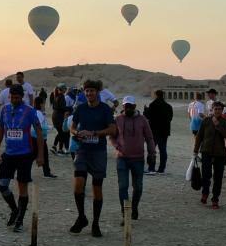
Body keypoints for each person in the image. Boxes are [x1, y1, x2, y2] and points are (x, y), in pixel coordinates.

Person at [69, 80, 117, 237]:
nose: (89, 93)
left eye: (92, 91)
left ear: (98, 92)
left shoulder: (105, 109)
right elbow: (72, 126)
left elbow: (113, 129)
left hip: (98, 152)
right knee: (78, 185)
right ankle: (82, 217)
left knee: (97, 188)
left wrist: (95, 133)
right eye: (87, 91)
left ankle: (95, 223)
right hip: (82, 151)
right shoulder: (80, 108)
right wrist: (77, 133)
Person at [0, 84, 44, 232]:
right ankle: (14, 210)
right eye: (12, 97)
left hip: (24, 155)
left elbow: (39, 132)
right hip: (8, 154)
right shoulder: (5, 109)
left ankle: (20, 220)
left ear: (22, 97)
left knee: (22, 188)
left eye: (17, 97)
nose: (14, 99)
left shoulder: (30, 111)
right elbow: (1, 129)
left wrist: (40, 154)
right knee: (2, 186)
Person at [110, 96, 155, 224]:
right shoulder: (117, 120)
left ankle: (134, 207)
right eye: (126, 106)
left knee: (138, 187)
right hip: (122, 158)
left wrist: (152, 153)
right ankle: (126, 214)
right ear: (123, 107)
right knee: (123, 186)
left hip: (138, 159)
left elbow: (149, 137)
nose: (128, 108)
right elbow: (112, 137)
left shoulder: (142, 120)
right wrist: (117, 146)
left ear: (135, 107)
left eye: (130, 106)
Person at [193, 101, 226, 209]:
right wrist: (195, 150)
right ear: (212, 110)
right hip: (206, 152)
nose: (217, 111)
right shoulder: (206, 121)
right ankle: (205, 193)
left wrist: (218, 125)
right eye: (216, 109)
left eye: (219, 109)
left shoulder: (224, 122)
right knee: (206, 175)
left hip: (220, 154)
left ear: (222, 110)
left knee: (218, 177)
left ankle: (215, 199)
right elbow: (199, 136)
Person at [144, 90, 173, 174]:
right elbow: (170, 118)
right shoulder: (168, 106)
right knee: (163, 150)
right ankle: (161, 169)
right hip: (164, 132)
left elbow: (148, 116)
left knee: (152, 150)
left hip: (154, 131)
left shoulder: (152, 105)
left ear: (156, 95)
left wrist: (146, 110)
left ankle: (151, 168)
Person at [32, 96, 57, 178]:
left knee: (44, 155)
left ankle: (47, 173)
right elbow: (40, 126)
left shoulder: (36, 112)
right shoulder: (38, 113)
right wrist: (50, 127)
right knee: (33, 156)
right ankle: (46, 173)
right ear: (40, 104)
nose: (44, 105)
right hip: (38, 138)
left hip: (38, 138)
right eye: (43, 103)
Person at [50, 84, 69, 155]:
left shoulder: (56, 96)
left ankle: (55, 146)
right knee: (62, 133)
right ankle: (60, 149)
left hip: (55, 116)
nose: (66, 90)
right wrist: (69, 108)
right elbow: (61, 108)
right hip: (58, 117)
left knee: (60, 132)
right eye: (65, 88)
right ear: (62, 89)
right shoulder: (61, 96)